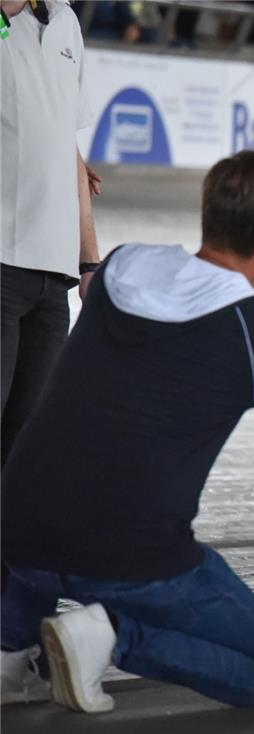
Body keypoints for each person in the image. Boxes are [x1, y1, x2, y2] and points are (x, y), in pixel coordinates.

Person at [0, 150, 254, 712]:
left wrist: (253, 283)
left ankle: (13, 651)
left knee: (46, 514)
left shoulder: (123, 267)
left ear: (209, 211)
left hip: (19, 527)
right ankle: (108, 636)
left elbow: (193, 307)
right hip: (124, 556)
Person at [1, 0, 102, 467]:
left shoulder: (65, 20)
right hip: (2, 262)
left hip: (53, 277)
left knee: (27, 436)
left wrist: (88, 261)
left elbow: (69, 148)